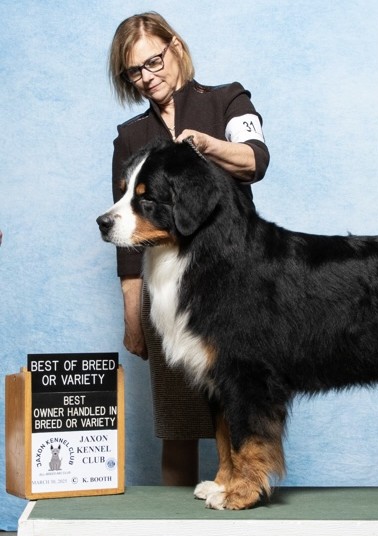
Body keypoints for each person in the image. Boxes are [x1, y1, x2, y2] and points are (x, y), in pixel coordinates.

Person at [108, 12, 270, 485]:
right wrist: (133, 315)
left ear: (175, 46)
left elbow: (256, 160)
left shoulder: (227, 100)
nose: (147, 78)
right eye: (134, 72)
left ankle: (241, 487)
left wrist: (207, 146)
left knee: (241, 402)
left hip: (235, 281)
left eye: (153, 62)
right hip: (167, 295)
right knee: (178, 424)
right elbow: (128, 236)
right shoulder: (130, 136)